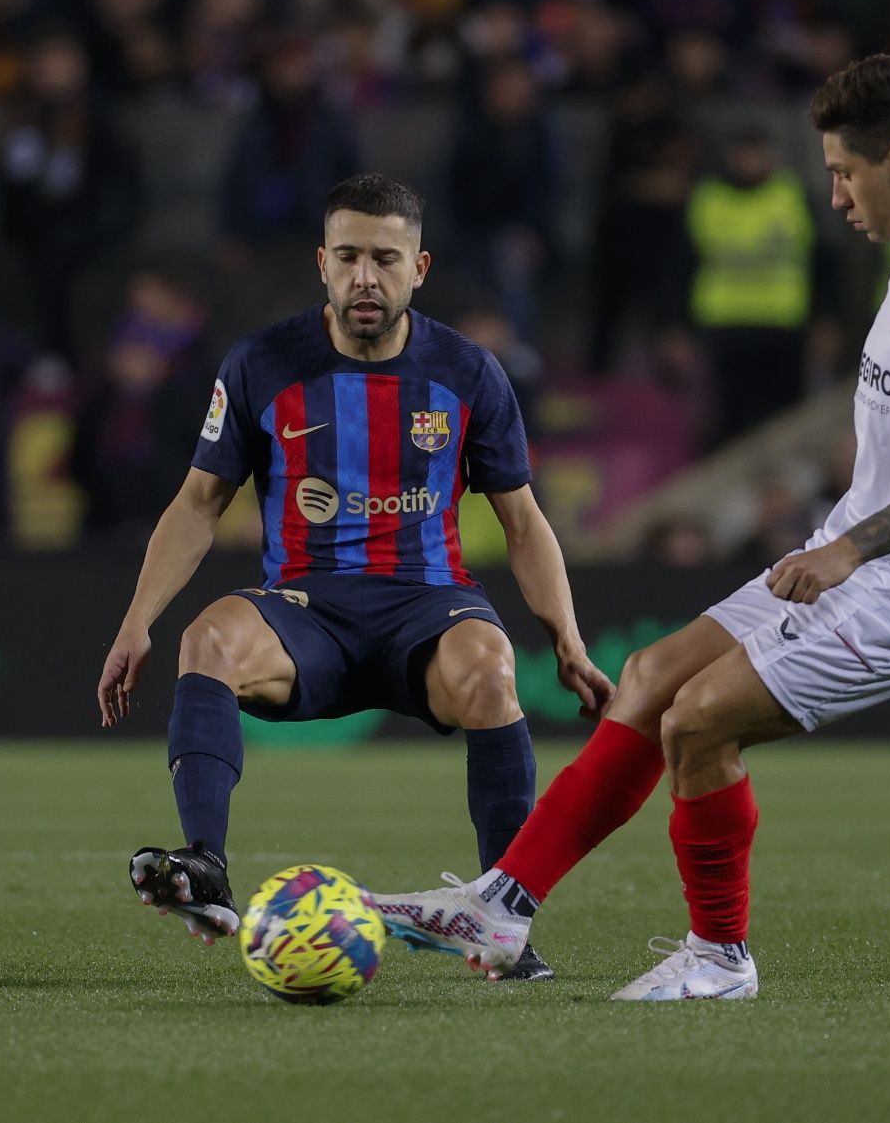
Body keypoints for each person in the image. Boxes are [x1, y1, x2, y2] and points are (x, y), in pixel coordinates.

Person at [374, 55, 890, 1001]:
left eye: (845, 174)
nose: (835, 197)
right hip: (853, 558)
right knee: (649, 677)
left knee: (696, 722)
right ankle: (503, 901)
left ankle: (721, 958)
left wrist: (850, 546)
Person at [95, 174, 613, 982]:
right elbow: (199, 502)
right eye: (347, 257)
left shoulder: (470, 372)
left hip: (427, 606)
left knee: (491, 666)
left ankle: (503, 915)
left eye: (384, 258)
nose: (365, 276)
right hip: (308, 611)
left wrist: (569, 642)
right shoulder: (263, 361)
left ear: (420, 266)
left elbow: (523, 520)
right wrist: (137, 620)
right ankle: (205, 866)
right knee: (209, 638)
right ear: (322, 264)